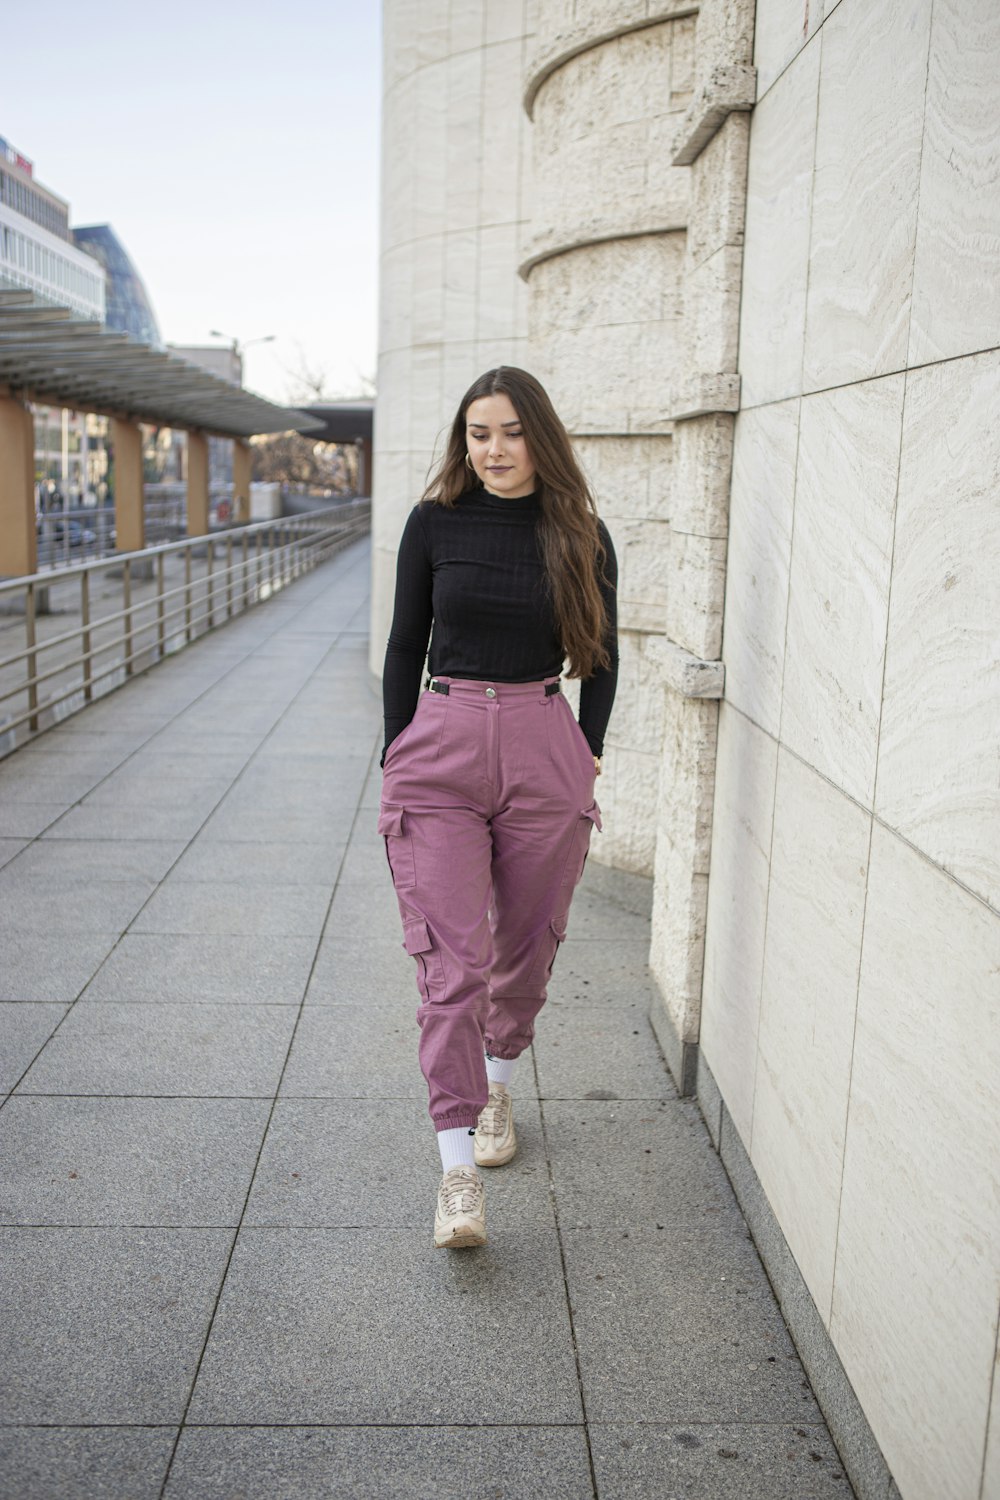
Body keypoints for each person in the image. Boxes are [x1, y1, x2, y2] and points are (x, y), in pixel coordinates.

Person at [379, 366, 618, 1249]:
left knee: (524, 949)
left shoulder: (581, 534)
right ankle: (455, 1177)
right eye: (479, 434)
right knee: (451, 964)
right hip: (439, 751)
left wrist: (585, 756)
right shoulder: (433, 523)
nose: (493, 450)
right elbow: (407, 639)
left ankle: (498, 1080)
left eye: (511, 432)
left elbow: (605, 659)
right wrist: (397, 745)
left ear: (540, 437)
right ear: (463, 440)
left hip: (541, 743)